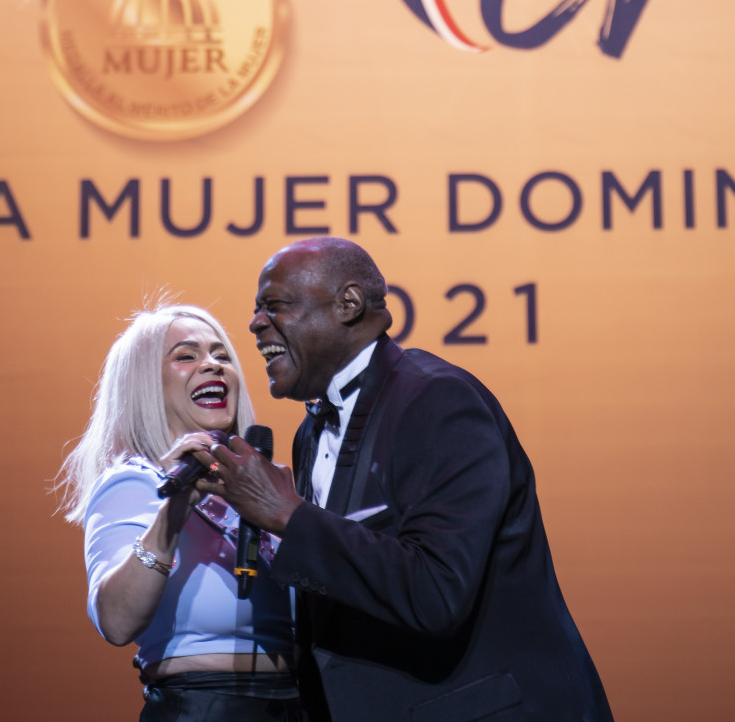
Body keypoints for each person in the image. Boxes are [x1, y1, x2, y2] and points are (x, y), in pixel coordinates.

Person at [206, 238, 614, 722]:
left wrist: (288, 516)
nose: (255, 324)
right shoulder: (310, 433)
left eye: (274, 305)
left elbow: (438, 591)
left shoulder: (437, 400)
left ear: (348, 304)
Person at [58, 303, 302, 721]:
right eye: (186, 356)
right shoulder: (136, 483)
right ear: (145, 386)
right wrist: (175, 508)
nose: (213, 365)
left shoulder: (268, 489)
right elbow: (116, 622)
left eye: (222, 355)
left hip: (295, 704)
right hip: (203, 707)